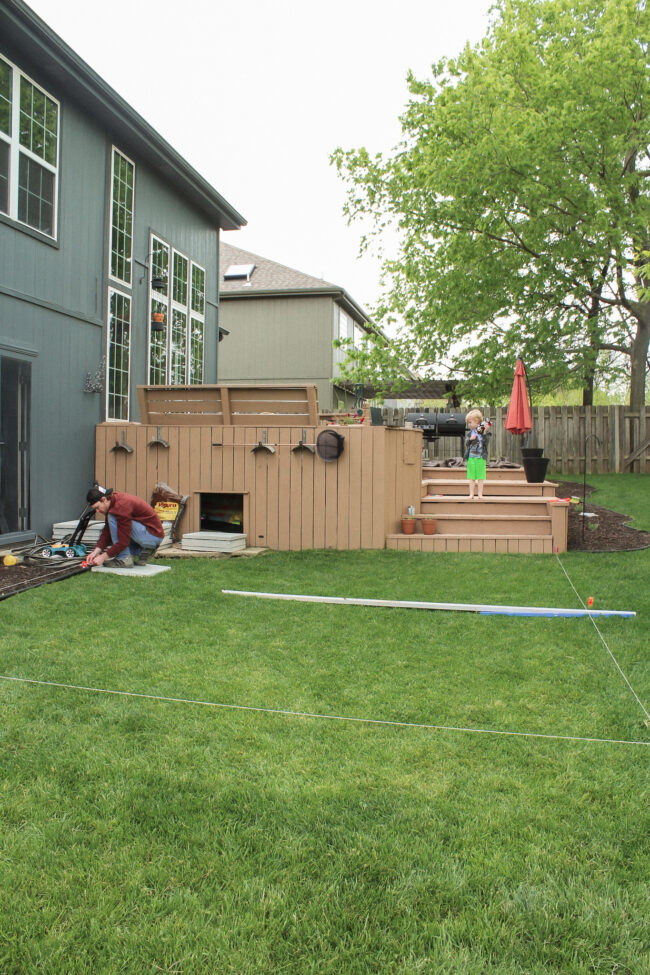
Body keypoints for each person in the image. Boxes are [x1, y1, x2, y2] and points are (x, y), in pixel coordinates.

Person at [85, 487, 164, 568]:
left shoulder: (120, 506)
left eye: (97, 507)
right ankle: (141, 552)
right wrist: (96, 551)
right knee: (114, 522)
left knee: (113, 518)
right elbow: (107, 531)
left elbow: (123, 541)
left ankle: (124, 559)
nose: (97, 511)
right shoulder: (113, 503)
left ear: (104, 499)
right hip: (150, 535)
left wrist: (102, 557)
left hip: (152, 536)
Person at [463, 409, 491, 500]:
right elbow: (466, 444)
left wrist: (485, 433)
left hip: (480, 458)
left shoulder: (483, 431)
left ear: (476, 422)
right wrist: (470, 439)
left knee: (480, 477)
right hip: (471, 457)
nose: (469, 424)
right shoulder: (470, 433)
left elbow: (486, 442)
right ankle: (471, 494)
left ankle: (480, 494)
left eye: (470, 422)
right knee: (471, 477)